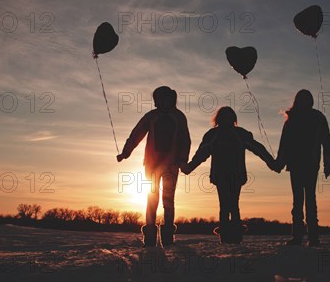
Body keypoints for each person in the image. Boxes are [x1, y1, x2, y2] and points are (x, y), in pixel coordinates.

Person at [181, 106, 279, 243]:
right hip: (224, 175)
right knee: (229, 204)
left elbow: (257, 148)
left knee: (229, 204)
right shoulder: (217, 135)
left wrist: (272, 163)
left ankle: (230, 235)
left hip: (233, 175)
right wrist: (189, 167)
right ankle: (230, 235)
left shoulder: (233, 134)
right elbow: (201, 154)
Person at [117, 86, 191, 247]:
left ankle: (168, 237)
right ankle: (150, 234)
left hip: (172, 165)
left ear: (173, 99)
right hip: (151, 165)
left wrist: (183, 159)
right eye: (162, 98)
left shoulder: (179, 116)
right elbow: (136, 134)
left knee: (168, 201)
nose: (166, 101)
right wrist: (125, 152)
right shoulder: (151, 116)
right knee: (152, 199)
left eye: (169, 98)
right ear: (157, 100)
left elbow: (185, 140)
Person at [275, 89, 330, 247]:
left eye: (307, 99)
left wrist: (327, 164)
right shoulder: (292, 119)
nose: (305, 102)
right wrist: (280, 163)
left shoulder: (317, 118)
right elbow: (284, 144)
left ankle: (313, 237)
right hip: (295, 165)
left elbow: (326, 141)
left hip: (310, 164)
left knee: (309, 200)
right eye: (303, 99)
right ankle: (298, 237)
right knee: (298, 201)